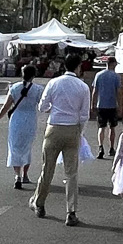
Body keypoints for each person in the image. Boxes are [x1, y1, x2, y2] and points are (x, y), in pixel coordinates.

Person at [33, 62, 92, 225]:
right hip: (72, 128)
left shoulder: (53, 83)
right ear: (78, 67)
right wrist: (80, 132)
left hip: (54, 127)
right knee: (71, 173)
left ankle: (39, 203)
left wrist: (54, 108)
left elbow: (42, 106)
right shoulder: (83, 87)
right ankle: (71, 211)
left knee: (47, 168)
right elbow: (84, 114)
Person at [0, 64, 42, 189]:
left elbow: (6, 106)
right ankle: (25, 174)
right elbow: (43, 105)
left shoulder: (14, 88)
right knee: (27, 147)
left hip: (16, 119)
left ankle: (17, 175)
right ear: (33, 76)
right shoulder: (38, 89)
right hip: (30, 119)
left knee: (15, 147)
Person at [93, 55, 122, 158]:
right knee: (112, 127)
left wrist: (93, 103)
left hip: (101, 104)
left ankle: (101, 147)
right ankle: (111, 148)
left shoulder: (98, 75)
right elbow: (118, 92)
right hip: (112, 105)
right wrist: (120, 105)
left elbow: (95, 91)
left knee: (101, 127)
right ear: (113, 64)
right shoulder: (116, 77)